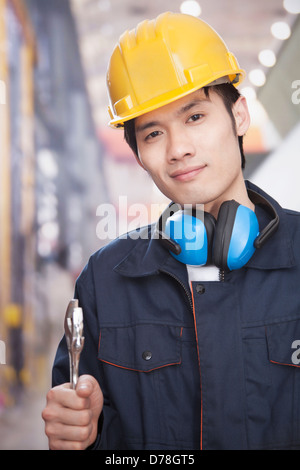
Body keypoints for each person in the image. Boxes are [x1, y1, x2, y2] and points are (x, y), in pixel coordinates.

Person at [42, 12, 300, 450]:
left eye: (195, 117)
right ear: (140, 155)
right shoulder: (105, 281)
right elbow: (87, 424)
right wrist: (80, 433)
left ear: (239, 115)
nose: (178, 148)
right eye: (154, 132)